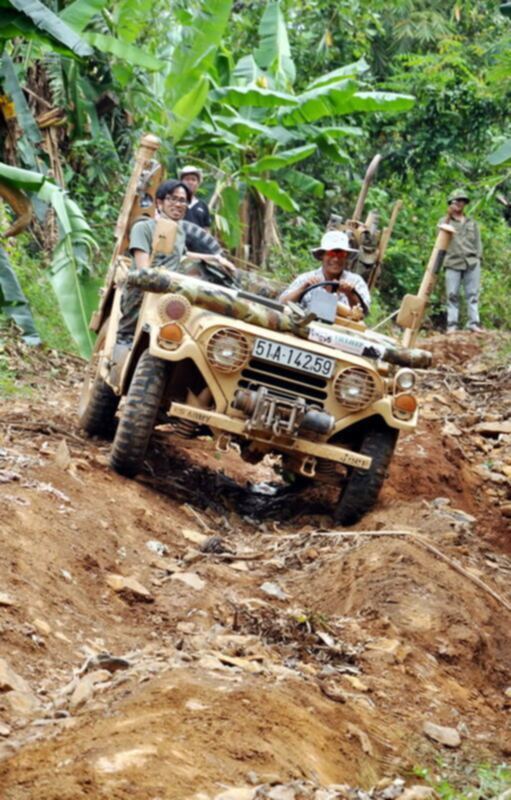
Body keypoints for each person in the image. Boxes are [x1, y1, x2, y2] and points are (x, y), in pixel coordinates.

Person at [117, 179, 228, 343]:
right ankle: (124, 339)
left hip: (170, 293)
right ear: (160, 202)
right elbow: (144, 271)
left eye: (183, 201)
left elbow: (183, 255)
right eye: (172, 199)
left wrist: (214, 258)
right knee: (130, 334)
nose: (178, 204)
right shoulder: (143, 228)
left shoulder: (179, 232)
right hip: (145, 292)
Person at [279, 230, 371, 317]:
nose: (336, 259)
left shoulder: (355, 281)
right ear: (322, 255)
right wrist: (303, 288)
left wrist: (350, 294)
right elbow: (282, 303)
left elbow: (363, 313)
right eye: (331, 253)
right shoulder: (307, 279)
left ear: (346, 257)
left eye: (341, 254)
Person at [442, 189, 483, 333]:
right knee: (452, 294)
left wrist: (478, 258)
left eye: (462, 200)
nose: (459, 203)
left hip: (471, 262)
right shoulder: (445, 221)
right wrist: (448, 215)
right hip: (453, 262)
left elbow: (478, 242)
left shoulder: (472, 223)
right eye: (456, 200)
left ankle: (474, 323)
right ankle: (452, 325)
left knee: (472, 294)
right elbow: (440, 236)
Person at [179, 165, 211, 230]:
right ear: (181, 182)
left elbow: (206, 229)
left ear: (198, 184)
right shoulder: (175, 202)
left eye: (193, 180)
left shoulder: (203, 206)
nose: (190, 182)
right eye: (187, 179)